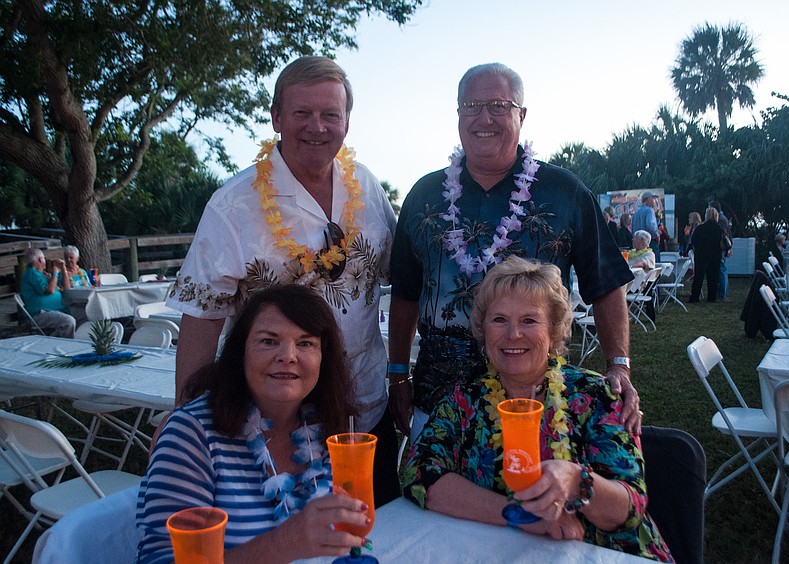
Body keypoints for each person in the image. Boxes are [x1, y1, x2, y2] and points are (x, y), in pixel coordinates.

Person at [164, 56, 399, 506]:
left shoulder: (366, 187)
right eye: (301, 113)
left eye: (330, 114)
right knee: (290, 545)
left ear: (347, 121)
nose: (317, 127)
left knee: (379, 535)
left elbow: (398, 274)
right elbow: (201, 319)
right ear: (276, 118)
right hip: (279, 429)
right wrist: (186, 425)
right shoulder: (232, 205)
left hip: (365, 412)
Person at [388, 63, 638, 443]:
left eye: (498, 105)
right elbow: (405, 293)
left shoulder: (564, 191)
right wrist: (398, 372)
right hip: (437, 402)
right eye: (471, 105)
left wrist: (618, 364)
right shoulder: (424, 195)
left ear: (521, 115)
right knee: (431, 493)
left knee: (534, 495)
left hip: (536, 403)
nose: (483, 117)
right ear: (458, 115)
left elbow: (605, 283)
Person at [400, 257, 672, 561]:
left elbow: (629, 507)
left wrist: (576, 480)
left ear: (553, 330)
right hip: (501, 551)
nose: (513, 334)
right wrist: (519, 514)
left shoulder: (597, 397)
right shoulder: (465, 399)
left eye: (529, 320)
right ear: (483, 328)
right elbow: (419, 473)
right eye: (499, 319)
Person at [137, 285, 371, 562]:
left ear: (324, 358)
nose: (288, 355)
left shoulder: (328, 426)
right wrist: (282, 543)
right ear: (241, 352)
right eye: (268, 341)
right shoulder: (192, 434)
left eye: (305, 343)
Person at [19, 248, 75, 338]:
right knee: (69, 321)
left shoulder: (42, 274)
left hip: (58, 310)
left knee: (84, 314)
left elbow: (66, 287)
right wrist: (55, 272)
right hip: (39, 314)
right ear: (41, 259)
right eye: (44, 259)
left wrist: (63, 269)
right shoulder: (32, 273)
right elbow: (49, 290)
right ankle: (62, 345)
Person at [688, 207, 723, 303]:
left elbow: (694, 240)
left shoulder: (700, 228)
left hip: (701, 254)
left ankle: (694, 296)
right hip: (715, 254)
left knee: (698, 276)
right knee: (713, 277)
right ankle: (712, 297)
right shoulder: (719, 228)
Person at [709, 200, 732, 301]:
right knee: (722, 269)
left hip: (721, 248)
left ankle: (722, 294)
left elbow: (722, 235)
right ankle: (722, 293)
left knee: (722, 270)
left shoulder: (720, 220)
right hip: (724, 248)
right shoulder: (724, 218)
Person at [631, 191, 659, 259]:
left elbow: (633, 229)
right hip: (649, 242)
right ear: (649, 199)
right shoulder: (649, 211)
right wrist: (656, 234)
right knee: (653, 265)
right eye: (654, 198)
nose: (655, 201)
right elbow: (650, 226)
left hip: (638, 244)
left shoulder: (636, 213)